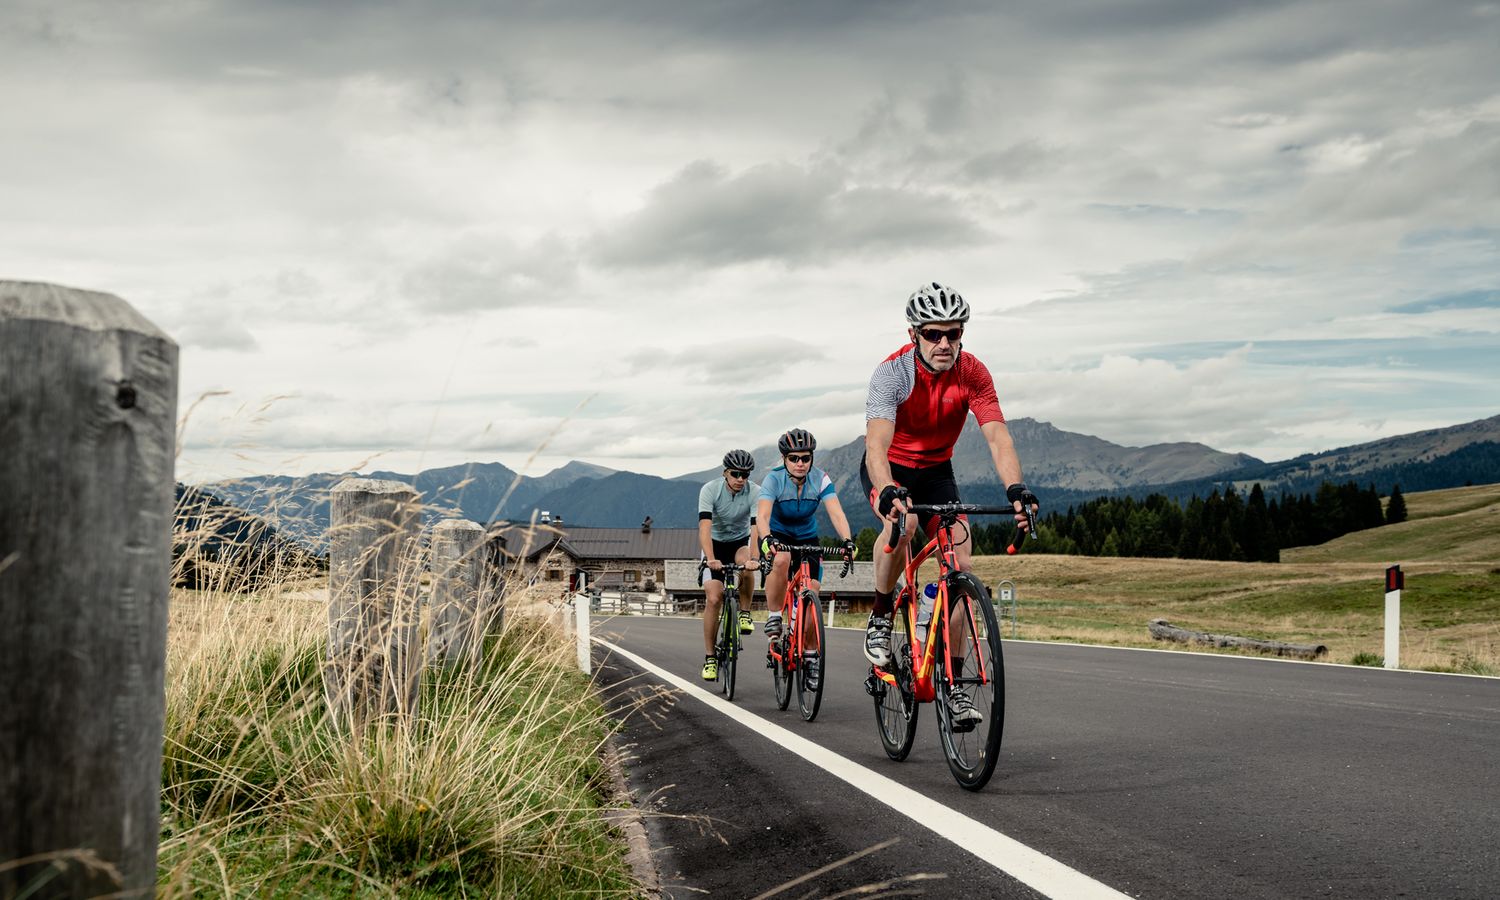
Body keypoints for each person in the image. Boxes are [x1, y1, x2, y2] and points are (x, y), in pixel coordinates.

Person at [860, 282, 1039, 728]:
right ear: (913, 334)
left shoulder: (974, 373)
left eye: (954, 334)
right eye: (934, 334)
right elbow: (876, 445)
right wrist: (887, 490)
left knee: (961, 561)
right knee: (902, 525)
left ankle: (954, 687)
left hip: (938, 471)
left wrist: (1016, 489)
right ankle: (882, 616)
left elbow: (997, 436)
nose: (945, 344)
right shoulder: (892, 374)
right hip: (891, 467)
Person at [755, 428, 857, 693]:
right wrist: (766, 539)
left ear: (811, 458)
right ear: (784, 459)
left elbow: (836, 512)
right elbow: (763, 516)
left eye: (805, 457)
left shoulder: (820, 479)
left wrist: (847, 540)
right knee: (782, 558)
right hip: (777, 534)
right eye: (794, 458)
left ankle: (811, 658)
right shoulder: (773, 480)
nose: (800, 463)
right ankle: (775, 614)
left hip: (807, 538)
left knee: (812, 592)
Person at [698, 449, 760, 681]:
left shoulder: (755, 492)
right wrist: (711, 558)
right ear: (725, 472)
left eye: (745, 474)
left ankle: (744, 613)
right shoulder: (710, 490)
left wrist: (754, 557)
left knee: (747, 564)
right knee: (714, 597)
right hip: (714, 545)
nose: (740, 479)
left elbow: (755, 528)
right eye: (735, 474)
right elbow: (704, 527)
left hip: (739, 543)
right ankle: (710, 658)